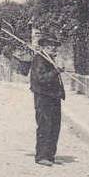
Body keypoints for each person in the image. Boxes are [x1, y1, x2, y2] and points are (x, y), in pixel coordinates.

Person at [28, 34, 65, 167]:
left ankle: (50, 156)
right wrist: (56, 71)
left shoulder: (50, 59)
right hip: (43, 97)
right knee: (44, 125)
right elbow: (40, 79)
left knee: (55, 126)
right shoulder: (39, 59)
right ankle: (41, 156)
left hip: (54, 96)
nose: (53, 49)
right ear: (43, 47)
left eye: (54, 46)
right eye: (50, 46)